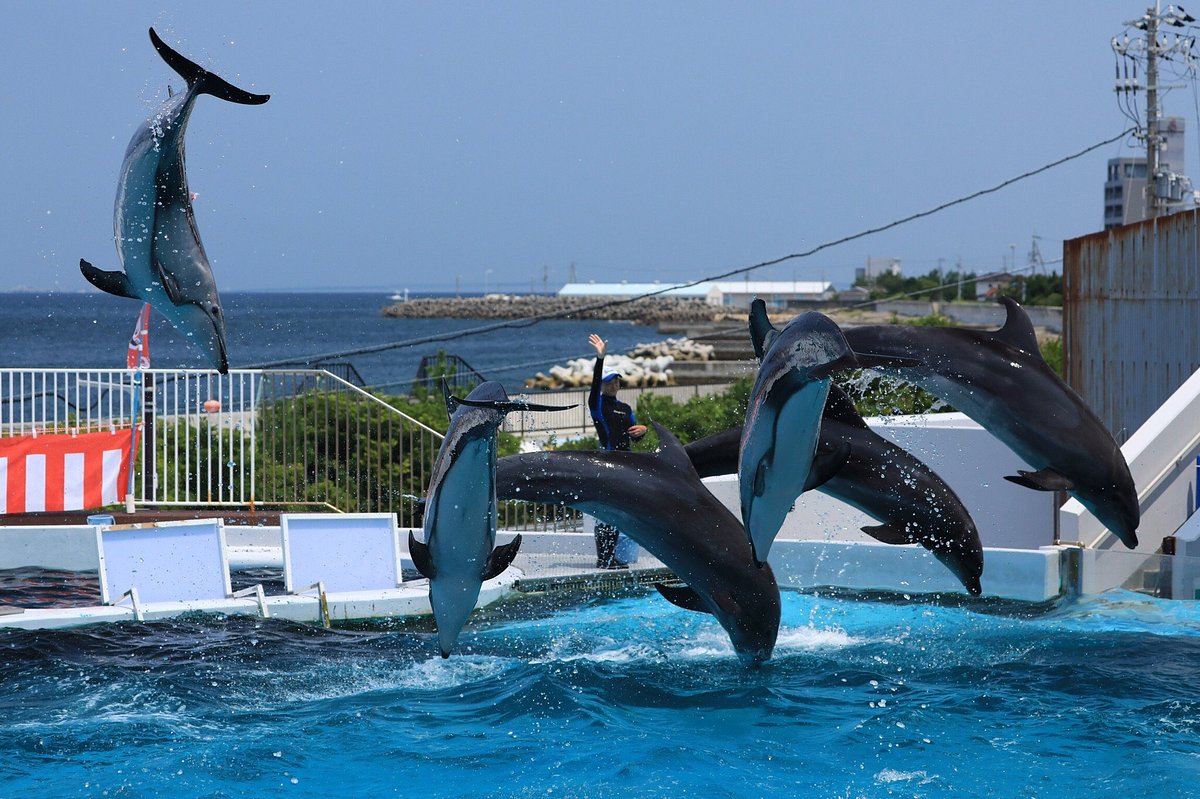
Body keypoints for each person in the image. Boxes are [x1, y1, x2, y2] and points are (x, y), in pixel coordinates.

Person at [587, 333, 647, 568]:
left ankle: (613, 556)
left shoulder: (626, 408)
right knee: (606, 513)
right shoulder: (598, 405)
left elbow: (634, 437)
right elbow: (594, 386)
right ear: (602, 385)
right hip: (606, 463)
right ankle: (604, 558)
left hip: (626, 464)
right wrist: (600, 358)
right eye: (608, 382)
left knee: (620, 512)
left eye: (616, 381)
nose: (613, 385)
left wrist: (642, 432)